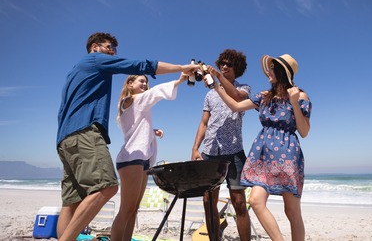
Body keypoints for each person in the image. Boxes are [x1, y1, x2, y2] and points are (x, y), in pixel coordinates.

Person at [56, 32, 198, 241]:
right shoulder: (96, 61)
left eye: (114, 48)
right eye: (108, 47)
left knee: (72, 202)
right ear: (94, 47)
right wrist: (181, 69)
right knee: (107, 187)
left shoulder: (75, 72)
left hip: (65, 138)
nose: (113, 51)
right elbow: (141, 66)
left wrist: (153, 131)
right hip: (85, 133)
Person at [213, 54, 312, 241]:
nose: (268, 72)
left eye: (272, 69)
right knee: (256, 202)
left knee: (292, 211)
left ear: (282, 72)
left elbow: (304, 131)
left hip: (287, 153)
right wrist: (216, 86)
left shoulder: (300, 95)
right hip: (263, 153)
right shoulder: (264, 96)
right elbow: (235, 106)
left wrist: (294, 104)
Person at [110, 73, 187, 240]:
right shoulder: (129, 100)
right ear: (130, 84)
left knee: (134, 208)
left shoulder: (140, 103)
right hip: (131, 158)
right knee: (126, 209)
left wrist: (152, 132)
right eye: (141, 81)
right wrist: (179, 80)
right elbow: (155, 92)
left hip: (143, 159)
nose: (145, 84)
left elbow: (135, 129)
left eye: (147, 82)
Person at [191, 49, 251, 241]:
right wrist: (195, 148)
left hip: (234, 152)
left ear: (237, 68)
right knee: (209, 202)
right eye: (222, 63)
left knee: (239, 203)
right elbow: (204, 123)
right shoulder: (209, 95)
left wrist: (217, 78)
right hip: (210, 152)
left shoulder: (245, 88)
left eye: (229, 64)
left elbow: (237, 97)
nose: (224, 66)